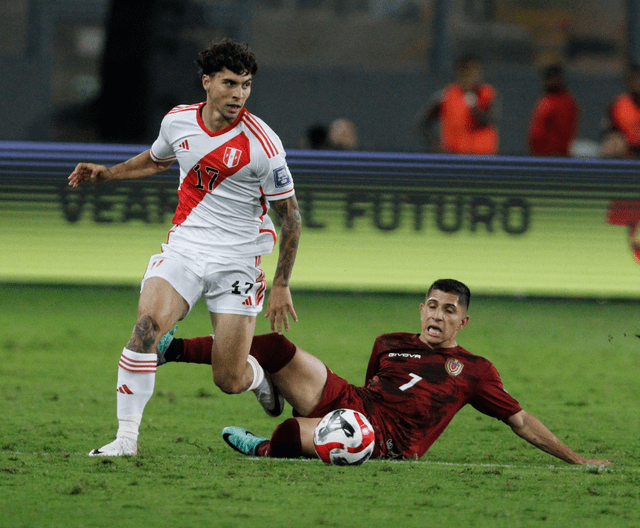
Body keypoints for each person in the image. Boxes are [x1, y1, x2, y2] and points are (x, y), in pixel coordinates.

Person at [68, 39, 302, 457]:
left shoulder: (263, 144)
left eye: (246, 85)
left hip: (238, 263)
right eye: (230, 83)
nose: (239, 94)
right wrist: (106, 174)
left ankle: (260, 380)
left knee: (228, 378)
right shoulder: (178, 121)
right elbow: (158, 160)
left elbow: (291, 217)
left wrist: (281, 283)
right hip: (185, 250)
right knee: (145, 332)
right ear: (207, 82)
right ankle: (126, 440)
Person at [158, 279, 611, 465]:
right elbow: (371, 383)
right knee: (276, 347)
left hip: (387, 440)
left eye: (448, 311)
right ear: (421, 308)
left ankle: (262, 447)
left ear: (462, 321)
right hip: (356, 402)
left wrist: (576, 458)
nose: (437, 316)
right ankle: (172, 349)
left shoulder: (474, 370)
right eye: (431, 306)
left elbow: (521, 420)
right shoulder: (390, 343)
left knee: (293, 433)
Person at [417, 56, 499, 155]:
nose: (470, 76)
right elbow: (423, 124)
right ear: (459, 73)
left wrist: (474, 106)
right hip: (455, 157)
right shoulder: (446, 95)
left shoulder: (487, 94)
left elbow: (490, 121)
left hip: (483, 158)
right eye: (466, 72)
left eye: (474, 71)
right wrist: (436, 145)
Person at [527, 64, 580, 157]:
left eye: (551, 78)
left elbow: (564, 133)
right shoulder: (546, 99)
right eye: (547, 78)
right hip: (539, 154)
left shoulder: (565, 101)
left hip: (555, 155)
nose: (548, 81)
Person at [600, 65, 640, 159]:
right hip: (626, 154)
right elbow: (608, 133)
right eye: (635, 79)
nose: (638, 83)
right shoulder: (618, 104)